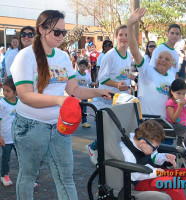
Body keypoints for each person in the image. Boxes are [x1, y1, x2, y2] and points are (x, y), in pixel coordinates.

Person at [10, 10, 111, 200]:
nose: (61, 36)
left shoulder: (63, 57)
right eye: (57, 32)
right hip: (30, 127)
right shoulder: (25, 56)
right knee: (28, 176)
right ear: (42, 29)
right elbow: (25, 96)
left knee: (65, 177)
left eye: (63, 32)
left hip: (59, 127)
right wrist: (58, 100)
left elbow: (76, 90)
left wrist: (98, 91)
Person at [127, 7, 186, 169]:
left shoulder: (170, 76)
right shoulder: (147, 71)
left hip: (167, 119)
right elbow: (134, 49)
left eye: (166, 59)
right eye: (159, 57)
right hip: (151, 120)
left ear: (171, 63)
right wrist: (130, 25)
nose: (162, 60)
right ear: (155, 58)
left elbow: (178, 97)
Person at [85, 25, 135, 165]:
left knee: (120, 131)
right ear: (116, 37)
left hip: (122, 99)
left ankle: (112, 157)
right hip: (106, 100)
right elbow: (103, 79)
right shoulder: (110, 56)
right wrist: (118, 85)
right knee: (110, 131)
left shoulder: (128, 54)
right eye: (121, 35)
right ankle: (93, 148)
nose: (124, 38)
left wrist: (135, 78)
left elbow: (124, 73)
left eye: (126, 35)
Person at [120, 119, 186, 200]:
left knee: (185, 172)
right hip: (140, 181)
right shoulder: (128, 154)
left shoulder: (143, 143)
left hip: (154, 173)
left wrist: (164, 157)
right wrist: (155, 172)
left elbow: (153, 157)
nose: (156, 150)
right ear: (142, 143)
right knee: (170, 182)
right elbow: (134, 175)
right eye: (155, 147)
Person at [0, 77, 18, 186]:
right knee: (5, 159)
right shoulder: (2, 104)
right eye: (3, 90)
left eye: (8, 91)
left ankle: (26, 178)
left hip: (17, 137)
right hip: (5, 138)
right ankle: (4, 175)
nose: (5, 93)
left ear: (16, 92)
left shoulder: (20, 102)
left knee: (22, 158)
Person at [75, 59, 98, 128]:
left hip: (84, 94)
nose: (82, 68)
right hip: (76, 94)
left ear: (86, 67)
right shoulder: (75, 74)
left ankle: (84, 122)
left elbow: (90, 83)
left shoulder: (87, 75)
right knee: (75, 108)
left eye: (84, 66)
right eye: (81, 66)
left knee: (84, 108)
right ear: (78, 66)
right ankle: (73, 122)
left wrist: (97, 83)